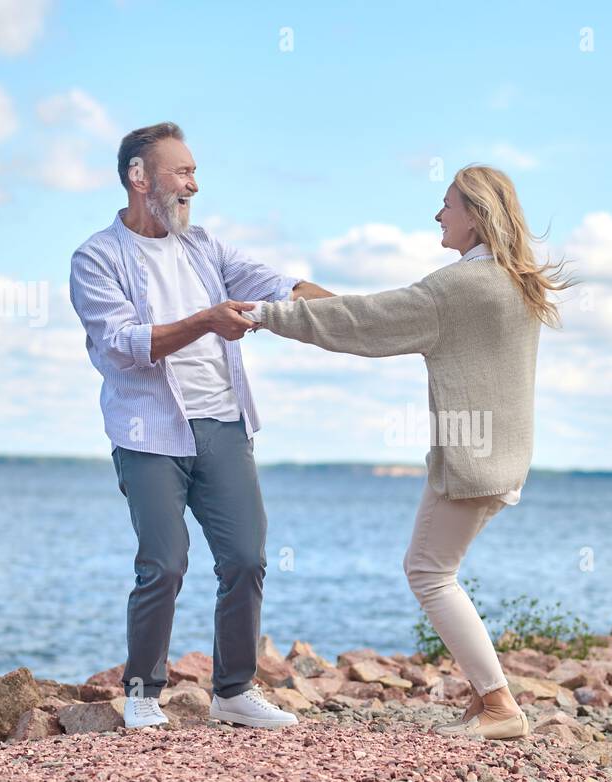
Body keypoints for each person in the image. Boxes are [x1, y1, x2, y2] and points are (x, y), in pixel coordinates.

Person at [244, 164, 574, 740]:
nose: (438, 215)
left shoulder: (461, 287)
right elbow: (378, 315)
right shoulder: (512, 282)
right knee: (434, 569)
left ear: (475, 215)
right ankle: (487, 699)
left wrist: (265, 315)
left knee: (429, 573)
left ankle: (499, 706)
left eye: (447, 204)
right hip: (501, 457)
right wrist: (311, 300)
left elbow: (367, 325)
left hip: (471, 462)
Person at [68, 122, 332, 730]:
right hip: (148, 433)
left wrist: (362, 314)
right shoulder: (96, 257)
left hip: (223, 425)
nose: (193, 184)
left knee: (245, 557)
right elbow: (124, 344)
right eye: (180, 171)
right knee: (163, 563)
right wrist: (209, 321)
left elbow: (277, 284)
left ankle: (234, 691)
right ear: (139, 177)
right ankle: (141, 694)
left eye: (194, 174)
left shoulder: (204, 247)